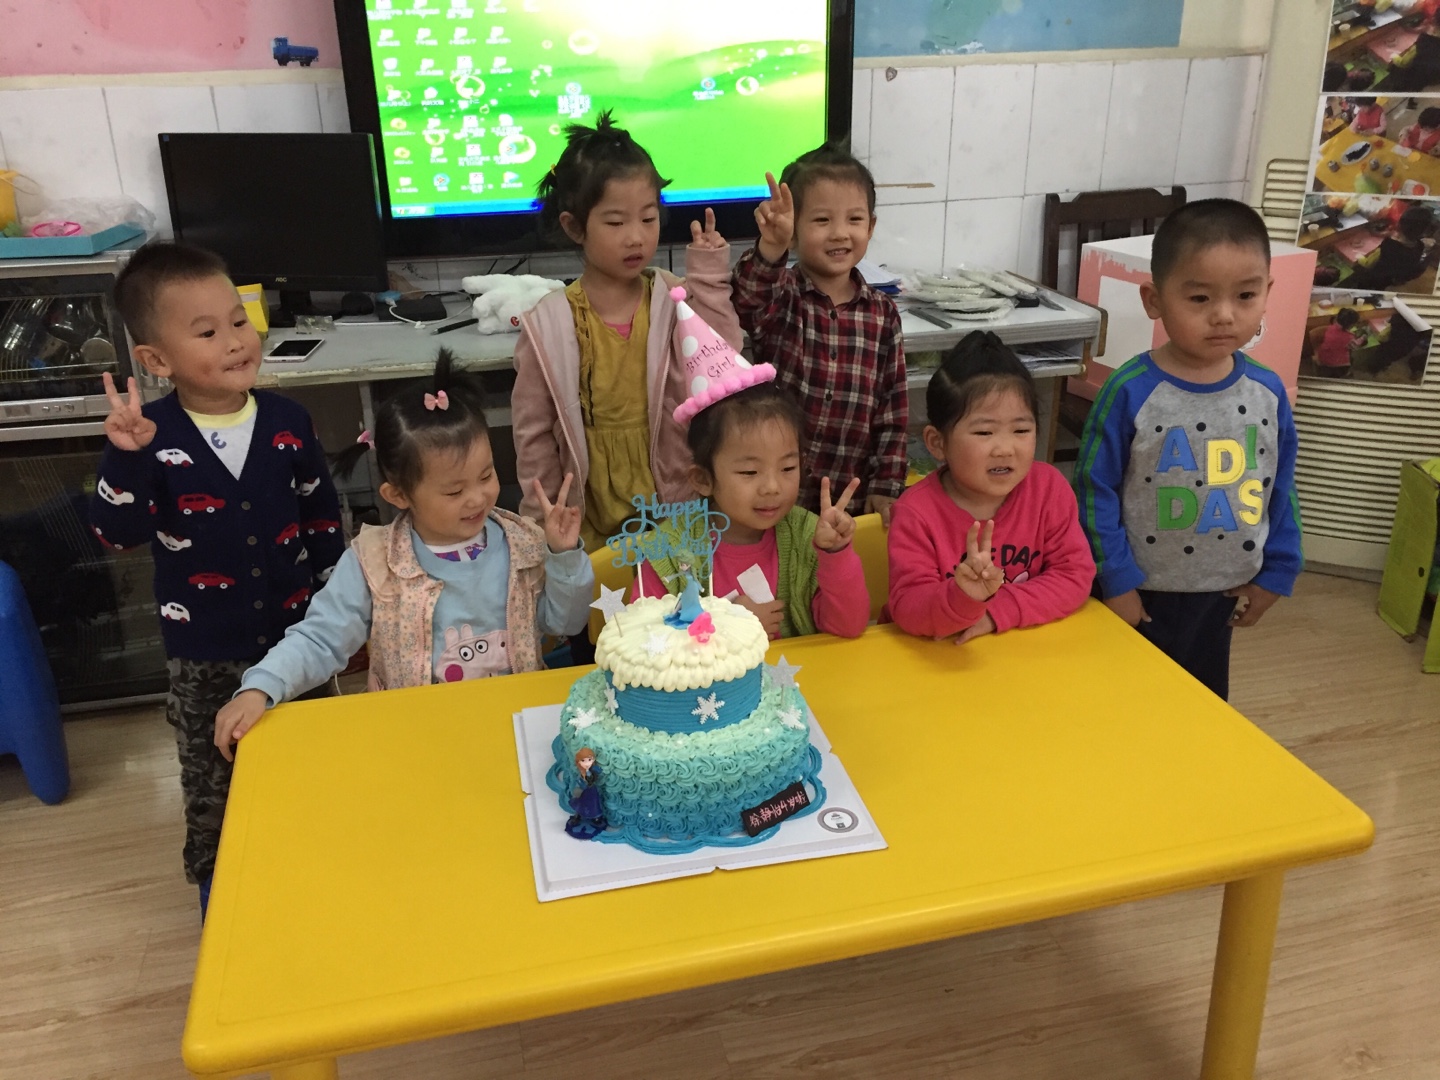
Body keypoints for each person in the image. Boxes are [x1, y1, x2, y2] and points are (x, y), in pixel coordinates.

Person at [89, 241, 345, 916]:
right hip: (205, 656)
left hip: (301, 643)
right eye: (207, 332)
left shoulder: (288, 422)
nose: (235, 341)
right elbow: (116, 533)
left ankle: (320, 889)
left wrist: (342, 616)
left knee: (316, 770)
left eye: (239, 320)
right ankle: (225, 908)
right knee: (215, 790)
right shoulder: (148, 435)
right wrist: (125, 459)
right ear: (156, 360)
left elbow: (323, 521)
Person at [213, 349, 595, 757]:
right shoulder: (375, 561)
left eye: (486, 475)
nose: (477, 497)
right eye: (454, 491)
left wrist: (564, 556)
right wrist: (261, 686)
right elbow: (322, 638)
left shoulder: (522, 542)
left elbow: (566, 623)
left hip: (512, 727)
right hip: (411, 737)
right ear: (398, 495)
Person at [1074, 199, 1304, 700]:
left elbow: (1280, 485)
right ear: (1154, 299)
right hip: (1141, 591)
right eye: (1199, 298)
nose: (1224, 315)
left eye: (1246, 295)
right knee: (1125, 707)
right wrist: (1115, 580)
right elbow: (1093, 492)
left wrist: (1279, 570)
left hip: (1223, 592)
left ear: (1267, 293)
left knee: (1202, 709)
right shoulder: (1129, 390)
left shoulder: (1268, 391)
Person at [511, 110, 741, 555]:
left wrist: (710, 278)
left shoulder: (674, 297)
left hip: (677, 511)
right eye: (616, 223)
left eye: (648, 219)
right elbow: (532, 436)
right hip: (589, 520)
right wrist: (543, 521)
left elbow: (723, 361)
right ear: (574, 226)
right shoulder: (549, 324)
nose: (636, 237)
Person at [731, 144, 907, 526]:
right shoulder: (783, 294)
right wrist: (771, 247)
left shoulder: (883, 313)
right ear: (794, 231)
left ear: (871, 227)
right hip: (776, 496)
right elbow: (747, 297)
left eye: (854, 219)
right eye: (822, 220)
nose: (840, 234)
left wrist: (886, 483)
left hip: (846, 499)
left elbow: (892, 408)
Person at [886, 331, 1093, 643]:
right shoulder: (915, 513)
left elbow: (1074, 575)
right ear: (937, 442)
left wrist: (995, 611)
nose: (1005, 449)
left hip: (1026, 652)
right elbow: (907, 608)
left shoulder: (1048, 490)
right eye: (984, 433)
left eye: (1021, 430)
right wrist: (961, 598)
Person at [636, 382, 871, 639]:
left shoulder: (809, 537)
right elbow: (643, 641)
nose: (772, 487)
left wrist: (835, 555)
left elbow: (848, 627)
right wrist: (725, 627)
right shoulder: (669, 551)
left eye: (787, 468)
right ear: (703, 479)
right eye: (749, 472)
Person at [1348, 203, 1436, 290]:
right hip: (1389, 280)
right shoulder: (1420, 246)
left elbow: (1368, 264)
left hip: (1373, 278)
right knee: (1379, 288)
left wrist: (1359, 256)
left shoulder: (1389, 244)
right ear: (1424, 231)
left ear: (1399, 224)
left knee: (1363, 284)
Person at [1314, 306, 1362, 377]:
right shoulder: (1349, 337)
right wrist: (1362, 338)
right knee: (1350, 359)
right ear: (1351, 325)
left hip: (1323, 355)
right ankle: (1345, 373)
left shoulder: (1331, 327)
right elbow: (1354, 347)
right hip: (1336, 363)